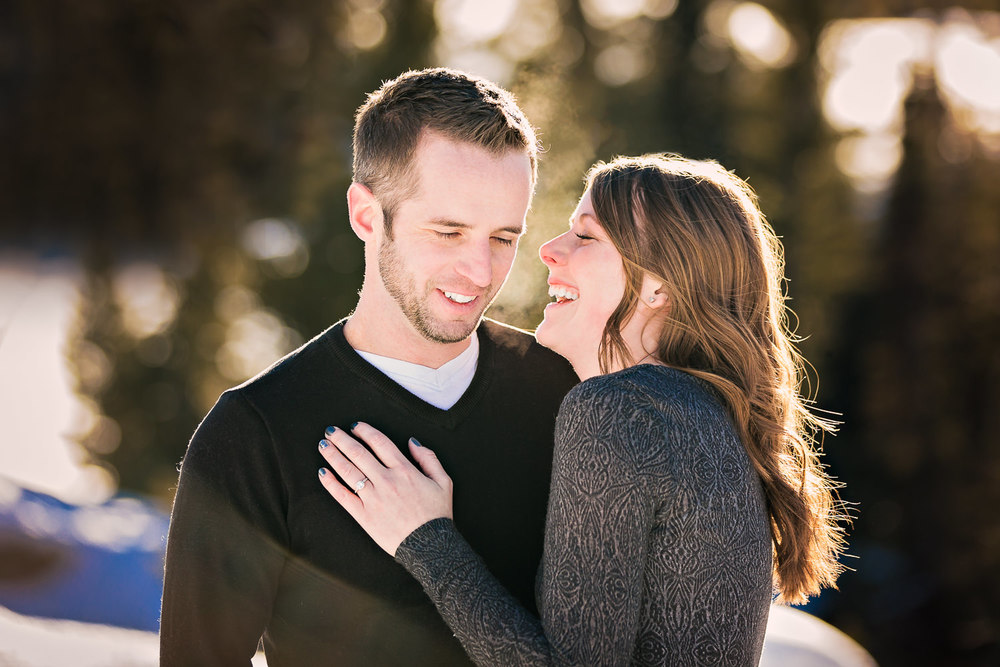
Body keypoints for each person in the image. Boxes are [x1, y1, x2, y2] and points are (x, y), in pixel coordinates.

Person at [317, 154, 849, 665]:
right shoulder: (706, 416)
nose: (548, 248)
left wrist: (423, 536)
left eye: (586, 235)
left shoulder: (619, 410)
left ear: (661, 283)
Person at [159, 68, 579, 666]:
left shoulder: (563, 397)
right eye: (448, 231)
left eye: (503, 238)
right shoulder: (255, 434)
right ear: (365, 215)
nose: (481, 272)